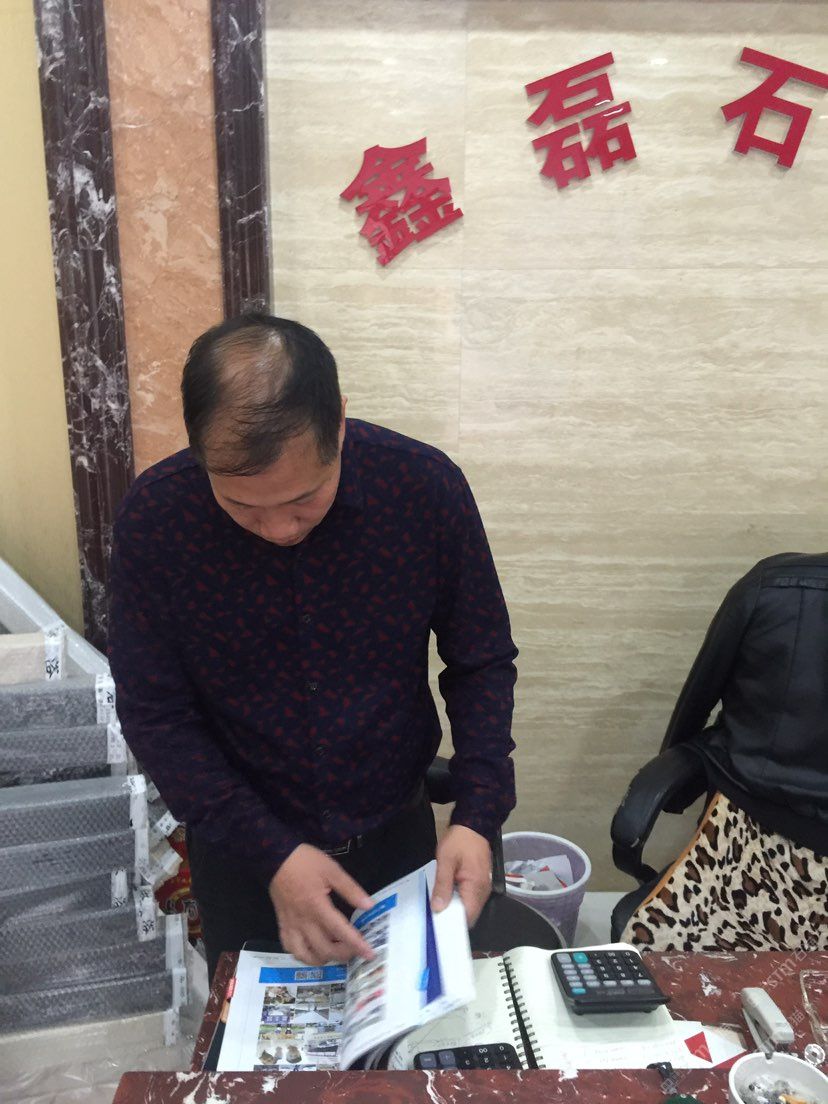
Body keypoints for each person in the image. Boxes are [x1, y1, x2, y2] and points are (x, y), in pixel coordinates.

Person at [107, 314, 518, 978]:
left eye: (304, 498)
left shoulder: (422, 489)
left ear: (340, 422)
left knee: (410, 1034)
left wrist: (477, 813)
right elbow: (156, 715)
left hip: (398, 840)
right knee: (256, 1038)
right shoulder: (157, 522)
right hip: (244, 856)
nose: (279, 529)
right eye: (242, 506)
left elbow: (481, 662)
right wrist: (271, 853)